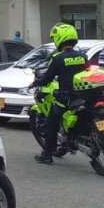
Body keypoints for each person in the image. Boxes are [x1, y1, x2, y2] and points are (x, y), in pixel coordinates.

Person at [30, 23, 88, 165]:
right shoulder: (82, 56)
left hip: (66, 98)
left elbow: (47, 78)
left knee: (50, 122)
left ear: (59, 39)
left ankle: (47, 154)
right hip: (83, 96)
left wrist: (36, 83)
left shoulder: (58, 58)